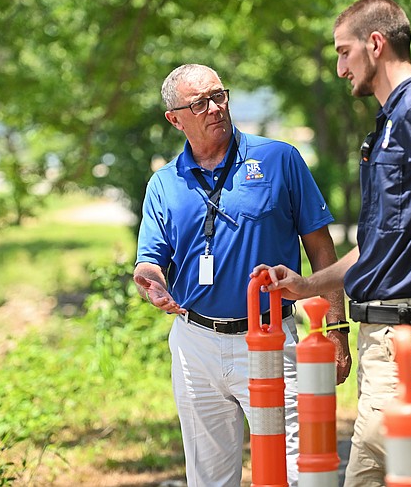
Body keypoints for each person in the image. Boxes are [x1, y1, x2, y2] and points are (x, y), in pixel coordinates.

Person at [253, 0, 411, 486]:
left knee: (379, 472)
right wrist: (307, 286)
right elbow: (377, 250)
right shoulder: (393, 121)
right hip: (383, 340)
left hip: (407, 339)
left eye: (344, 51)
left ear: (376, 43)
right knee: (379, 476)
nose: (339, 67)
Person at [133, 63, 352, 487]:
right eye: (200, 103)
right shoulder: (164, 183)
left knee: (293, 473)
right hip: (195, 344)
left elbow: (322, 249)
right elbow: (150, 259)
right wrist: (151, 282)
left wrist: (338, 329)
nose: (215, 108)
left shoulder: (279, 159)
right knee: (210, 478)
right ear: (175, 119)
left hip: (271, 338)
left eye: (219, 95)